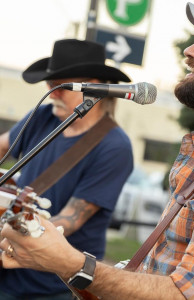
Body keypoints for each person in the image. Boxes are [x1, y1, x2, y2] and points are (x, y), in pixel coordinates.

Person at [0, 2, 194, 299]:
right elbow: (158, 274)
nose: (189, 51)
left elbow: (185, 294)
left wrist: (69, 262)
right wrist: (64, 264)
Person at [0, 39, 134, 299]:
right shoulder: (42, 116)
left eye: (61, 87)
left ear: (93, 88)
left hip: (53, 286)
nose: (52, 95)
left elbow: (68, 221)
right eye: (50, 86)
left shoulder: (114, 146)